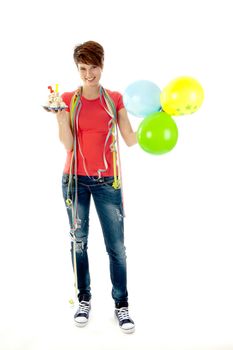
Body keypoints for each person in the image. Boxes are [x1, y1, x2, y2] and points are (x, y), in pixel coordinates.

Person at [53, 41, 137, 333]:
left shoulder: (114, 99)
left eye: (94, 67)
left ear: (103, 64)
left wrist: (158, 115)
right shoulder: (67, 99)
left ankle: (121, 305)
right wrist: (62, 118)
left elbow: (129, 138)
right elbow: (68, 145)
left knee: (117, 248)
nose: (89, 74)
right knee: (79, 242)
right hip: (74, 181)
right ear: (78, 69)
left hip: (106, 183)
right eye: (83, 69)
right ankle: (84, 298)